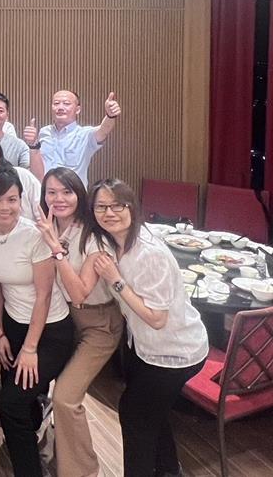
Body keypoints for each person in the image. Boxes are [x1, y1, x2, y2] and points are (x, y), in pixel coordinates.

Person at [86, 179, 207, 477]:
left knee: (135, 416)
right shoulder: (114, 244)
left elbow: (156, 318)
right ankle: (169, 470)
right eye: (101, 206)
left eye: (117, 205)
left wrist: (115, 280)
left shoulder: (150, 253)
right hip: (145, 346)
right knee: (152, 413)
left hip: (175, 350)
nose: (109, 213)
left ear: (132, 207)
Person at [0, 167, 74, 477]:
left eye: (12, 199)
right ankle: (30, 438)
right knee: (19, 402)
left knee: (11, 403)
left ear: (21, 200)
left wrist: (30, 349)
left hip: (51, 330)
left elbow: (44, 295)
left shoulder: (34, 235)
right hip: (13, 325)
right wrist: (0, 333)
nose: (5, 207)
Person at [30, 167, 123, 477]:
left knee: (66, 398)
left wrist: (56, 250)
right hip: (63, 320)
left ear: (79, 195)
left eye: (66, 192)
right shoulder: (48, 226)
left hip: (99, 324)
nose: (58, 199)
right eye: (51, 192)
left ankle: (82, 471)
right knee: (42, 383)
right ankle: (48, 446)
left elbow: (80, 293)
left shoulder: (93, 236)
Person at [21, 90, 122, 186]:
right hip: (47, 193)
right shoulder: (44, 132)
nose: (60, 107)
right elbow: (37, 172)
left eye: (66, 103)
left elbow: (103, 130)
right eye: (56, 103)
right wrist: (33, 144)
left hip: (74, 194)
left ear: (77, 109)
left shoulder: (85, 134)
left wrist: (110, 116)